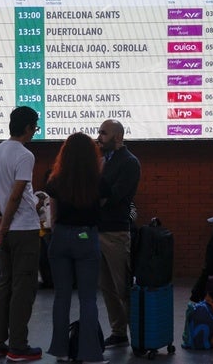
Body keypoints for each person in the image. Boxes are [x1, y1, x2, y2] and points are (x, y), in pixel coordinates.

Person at [0, 106, 42, 362]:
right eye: (35, 128)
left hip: (5, 230)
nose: (34, 132)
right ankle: (18, 347)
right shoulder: (25, 155)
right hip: (24, 230)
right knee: (23, 288)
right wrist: (5, 225)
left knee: (5, 285)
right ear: (28, 127)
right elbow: (17, 195)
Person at [45, 132, 108, 364]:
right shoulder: (98, 180)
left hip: (60, 236)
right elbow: (102, 205)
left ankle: (60, 350)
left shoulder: (55, 179)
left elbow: (52, 215)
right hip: (86, 236)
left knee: (61, 296)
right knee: (88, 298)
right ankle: (90, 354)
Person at [96, 119, 141, 348]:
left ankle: (139, 335)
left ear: (118, 137)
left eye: (103, 133)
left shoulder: (130, 162)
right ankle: (118, 332)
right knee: (106, 287)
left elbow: (115, 196)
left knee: (123, 287)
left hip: (116, 232)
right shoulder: (103, 159)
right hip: (99, 230)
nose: (99, 137)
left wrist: (93, 199)